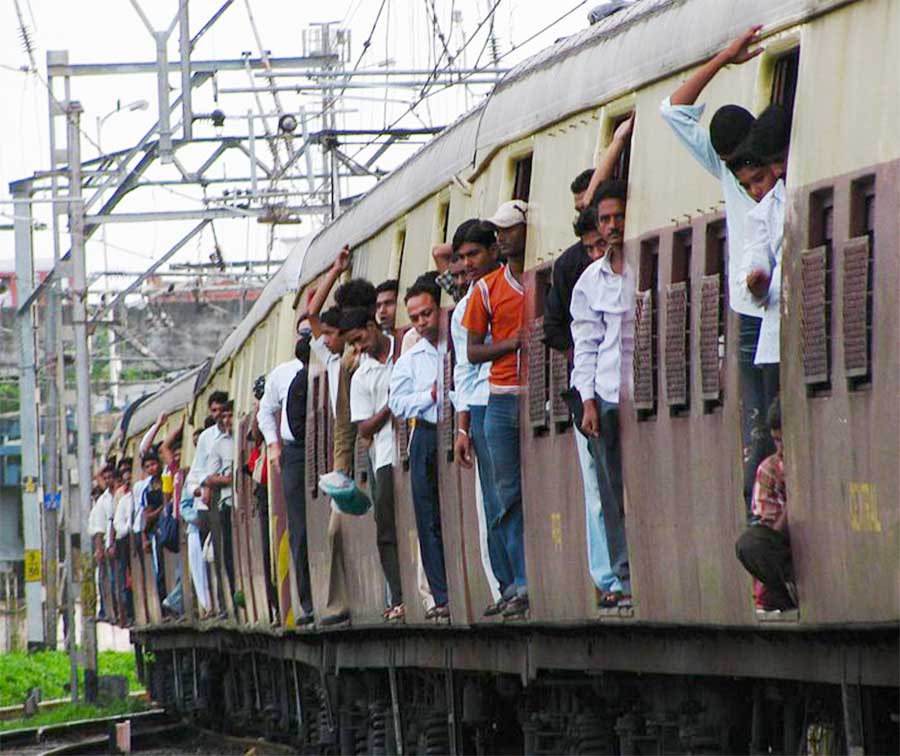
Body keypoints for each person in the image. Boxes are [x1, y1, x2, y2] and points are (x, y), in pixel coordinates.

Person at [659, 25, 773, 514]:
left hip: (772, 304)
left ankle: (762, 519)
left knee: (768, 424)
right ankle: (758, 521)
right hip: (749, 310)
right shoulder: (729, 167)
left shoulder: (765, 166)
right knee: (759, 427)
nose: (739, 177)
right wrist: (724, 57)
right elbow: (673, 108)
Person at [462, 200, 530, 617]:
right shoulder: (487, 291)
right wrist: (511, 344)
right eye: (498, 232)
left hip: (534, 394)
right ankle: (518, 581)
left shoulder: (542, 276)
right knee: (505, 495)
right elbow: (471, 352)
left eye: (508, 230)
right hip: (501, 397)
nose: (503, 237)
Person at [570, 179, 635, 609]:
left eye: (618, 217)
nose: (613, 226)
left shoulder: (643, 264)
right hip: (608, 392)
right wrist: (588, 401)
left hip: (643, 389)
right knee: (612, 490)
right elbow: (585, 343)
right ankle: (625, 576)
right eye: (605, 219)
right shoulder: (589, 282)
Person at [448, 218, 512, 613]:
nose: (468, 263)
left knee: (505, 496)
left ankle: (514, 584)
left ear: (493, 250)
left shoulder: (506, 289)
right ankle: (506, 586)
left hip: (507, 393)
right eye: (463, 257)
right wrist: (462, 427)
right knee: (493, 499)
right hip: (484, 402)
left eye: (474, 254)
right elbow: (464, 371)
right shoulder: (463, 309)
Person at [388, 277, 450, 619]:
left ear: (440, 309)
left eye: (426, 313)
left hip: (455, 427)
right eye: (414, 318)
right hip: (425, 433)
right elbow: (396, 402)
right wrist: (426, 397)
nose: (422, 322)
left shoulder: (456, 344)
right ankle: (441, 595)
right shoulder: (411, 359)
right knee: (427, 518)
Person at [343, 306, 405, 621]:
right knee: (386, 527)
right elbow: (364, 429)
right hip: (383, 456)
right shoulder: (361, 376)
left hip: (409, 448)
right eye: (354, 345)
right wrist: (390, 407)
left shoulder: (404, 349)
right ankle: (398, 594)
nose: (359, 348)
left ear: (372, 326)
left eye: (360, 339)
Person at [257, 335, 315, 625]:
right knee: (299, 528)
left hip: (324, 448)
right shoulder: (282, 374)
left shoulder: (331, 365)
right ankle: (308, 602)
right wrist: (273, 444)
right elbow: (264, 411)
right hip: (294, 453)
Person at [735, 397, 796, 611]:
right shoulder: (770, 469)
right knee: (750, 543)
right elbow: (770, 535)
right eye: (776, 441)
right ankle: (791, 591)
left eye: (784, 440)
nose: (780, 449)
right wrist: (793, 504)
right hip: (790, 556)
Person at [180, 392, 228, 617]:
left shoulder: (232, 434)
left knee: (224, 554)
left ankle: (224, 603)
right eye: (215, 411)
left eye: (222, 410)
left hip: (226, 500)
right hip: (206, 507)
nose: (219, 415)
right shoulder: (207, 438)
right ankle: (216, 605)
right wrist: (203, 487)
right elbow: (196, 473)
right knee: (212, 557)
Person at [205, 399, 236, 603]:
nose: (226, 419)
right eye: (222, 416)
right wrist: (228, 479)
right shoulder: (218, 444)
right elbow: (209, 477)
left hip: (241, 501)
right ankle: (233, 592)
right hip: (226, 502)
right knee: (229, 552)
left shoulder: (242, 437)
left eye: (228, 415)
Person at [88, 465, 116, 621]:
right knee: (105, 579)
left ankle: (110, 610)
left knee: (111, 579)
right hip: (105, 545)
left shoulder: (116, 496)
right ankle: (105, 610)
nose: (107, 480)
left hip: (113, 542)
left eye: (110, 477)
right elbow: (98, 529)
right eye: (105, 478)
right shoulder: (103, 501)